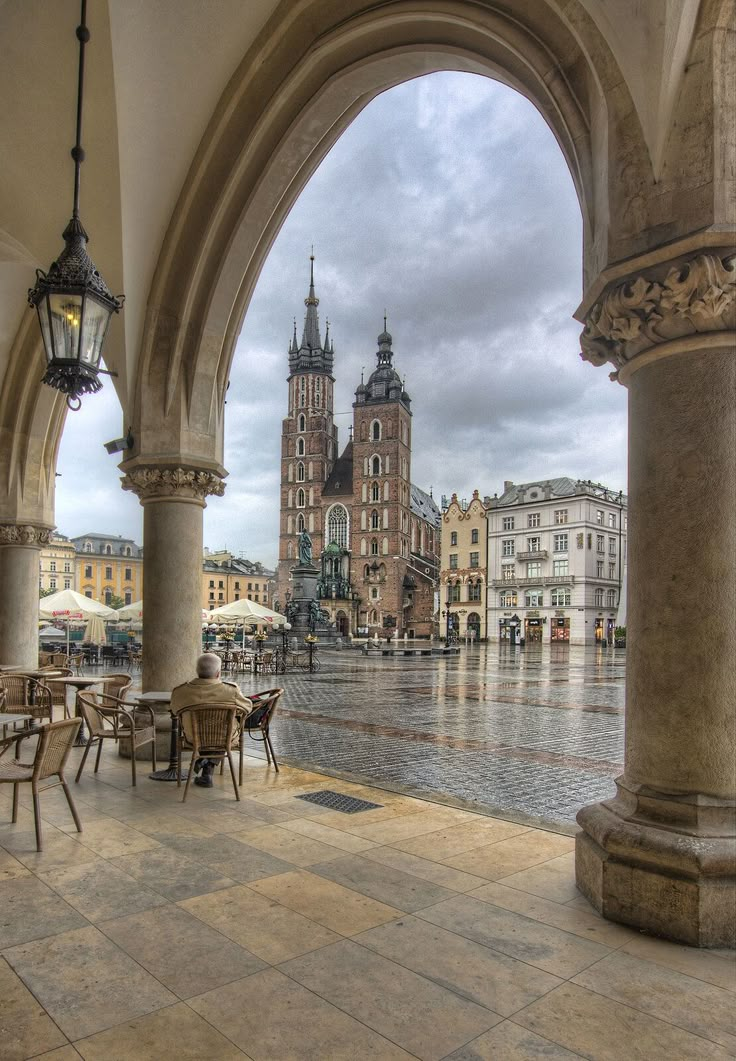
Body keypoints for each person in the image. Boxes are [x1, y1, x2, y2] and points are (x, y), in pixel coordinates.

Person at [170, 652, 253, 787]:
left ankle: (205, 764)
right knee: (225, 732)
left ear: (197, 671)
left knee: (208, 733)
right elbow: (247, 708)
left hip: (192, 738)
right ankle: (208, 763)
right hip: (224, 738)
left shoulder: (180, 691)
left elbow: (174, 711)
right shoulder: (231, 690)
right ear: (218, 673)